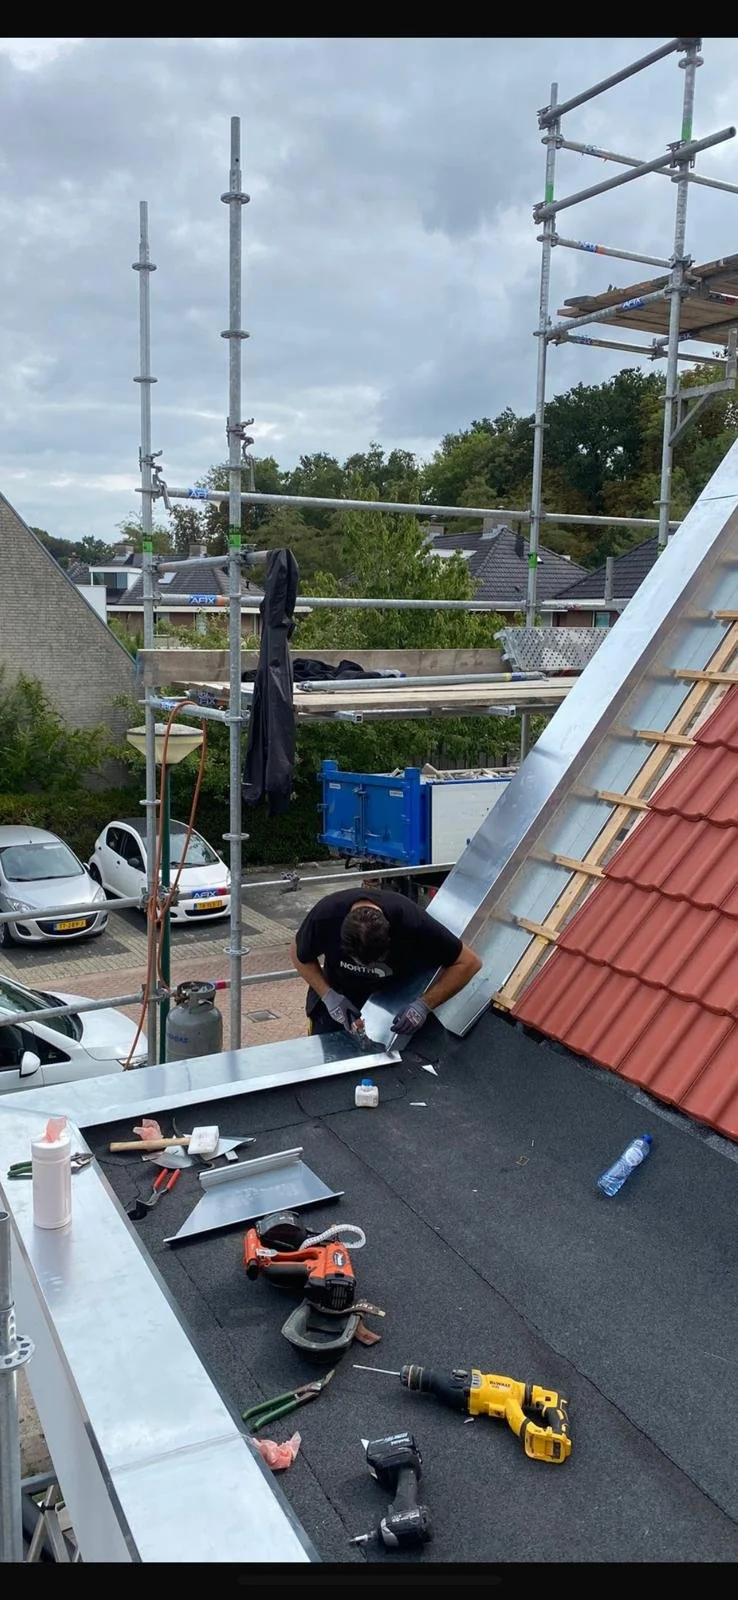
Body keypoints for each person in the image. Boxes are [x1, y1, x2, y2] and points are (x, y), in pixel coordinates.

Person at [289, 887, 483, 1044]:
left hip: (391, 999)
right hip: (337, 992)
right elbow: (298, 954)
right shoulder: (325, 916)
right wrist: (328, 996)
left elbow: (469, 962)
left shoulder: (410, 921)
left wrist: (423, 1005)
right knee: (329, 1061)